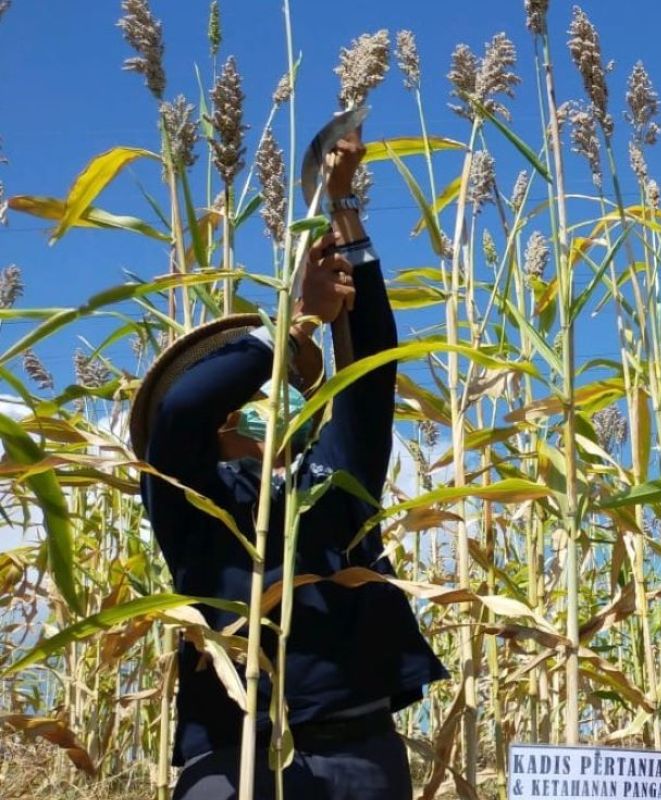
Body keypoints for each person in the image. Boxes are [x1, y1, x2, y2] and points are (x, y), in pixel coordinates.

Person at [131, 128, 447, 799]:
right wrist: (293, 326)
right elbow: (182, 412)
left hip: (357, 754)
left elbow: (369, 368)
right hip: (232, 758)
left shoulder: (330, 480)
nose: (268, 397)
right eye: (251, 385)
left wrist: (340, 207)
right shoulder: (184, 492)